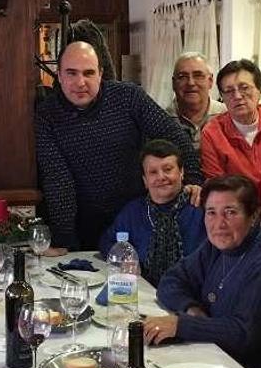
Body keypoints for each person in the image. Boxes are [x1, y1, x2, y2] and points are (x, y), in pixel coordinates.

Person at [35, 41, 201, 254]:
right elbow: (58, 181)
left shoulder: (128, 97)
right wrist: (64, 242)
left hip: (137, 221)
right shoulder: (46, 115)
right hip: (82, 226)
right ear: (59, 75)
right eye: (71, 73)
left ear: (101, 73)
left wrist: (194, 180)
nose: (81, 82)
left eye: (88, 73)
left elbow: (175, 136)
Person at [145, 175, 261, 368]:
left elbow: (245, 334)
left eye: (230, 212)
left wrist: (181, 325)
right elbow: (171, 281)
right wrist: (192, 309)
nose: (219, 224)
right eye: (211, 213)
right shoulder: (217, 245)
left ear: (253, 216)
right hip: (206, 354)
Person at [98, 139, 206, 286]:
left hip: (194, 295)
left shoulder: (201, 208)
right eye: (153, 172)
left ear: (181, 172)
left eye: (168, 169)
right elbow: (107, 241)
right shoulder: (133, 211)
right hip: (145, 293)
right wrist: (126, 259)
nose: (161, 177)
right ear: (145, 180)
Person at [200, 59, 261, 185]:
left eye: (244, 88)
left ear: (259, 91)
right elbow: (215, 184)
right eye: (229, 91)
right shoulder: (212, 133)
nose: (237, 96)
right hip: (237, 202)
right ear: (222, 97)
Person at [166, 52, 226, 151]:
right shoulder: (162, 120)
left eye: (198, 76)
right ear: (173, 83)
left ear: (210, 81)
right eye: (183, 77)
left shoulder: (227, 116)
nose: (191, 83)